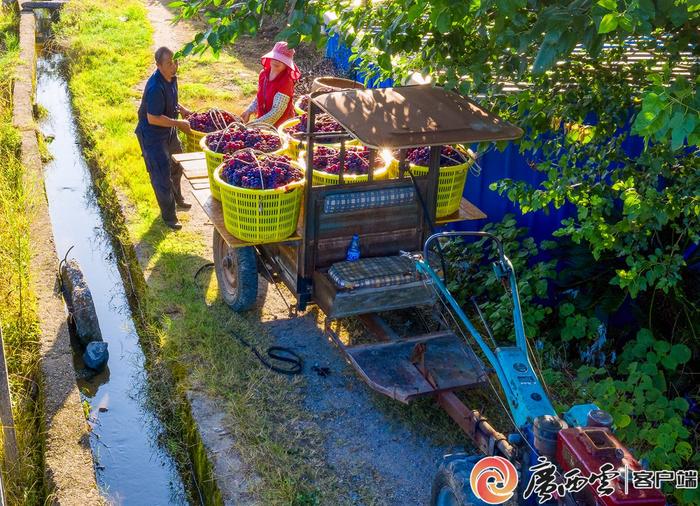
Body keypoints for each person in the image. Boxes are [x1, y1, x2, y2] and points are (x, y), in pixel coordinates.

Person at [135, 46, 193, 230]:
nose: (174, 66)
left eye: (175, 61)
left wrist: (181, 110)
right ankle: (169, 217)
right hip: (152, 136)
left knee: (176, 166)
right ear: (158, 65)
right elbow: (153, 118)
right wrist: (179, 124)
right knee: (161, 176)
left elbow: (172, 100)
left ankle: (178, 199)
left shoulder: (171, 78)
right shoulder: (154, 87)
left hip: (168, 130)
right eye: (169, 63)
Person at [241, 41, 301, 128]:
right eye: (275, 58)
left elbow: (276, 112)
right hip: (264, 119)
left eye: (281, 60)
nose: (277, 61)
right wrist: (249, 111)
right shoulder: (263, 74)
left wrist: (253, 125)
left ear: (287, 64)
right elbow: (260, 95)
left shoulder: (286, 82)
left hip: (280, 124)